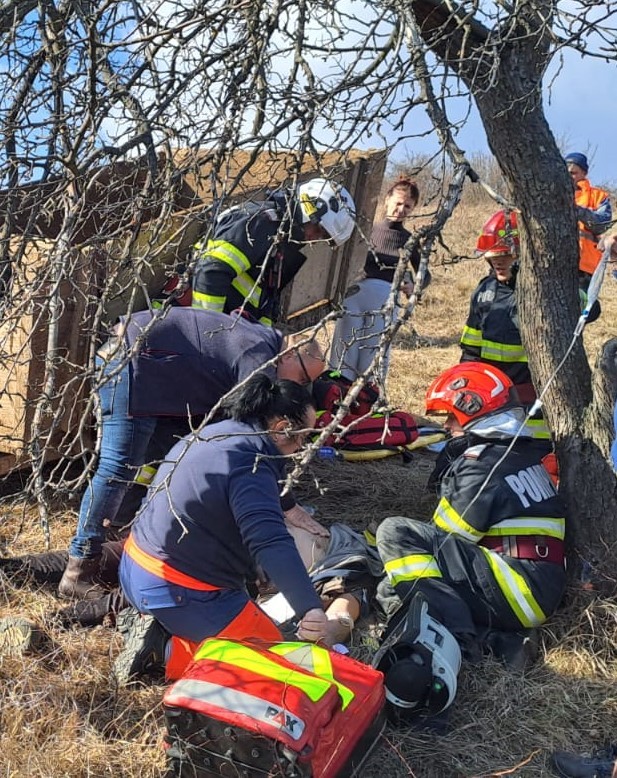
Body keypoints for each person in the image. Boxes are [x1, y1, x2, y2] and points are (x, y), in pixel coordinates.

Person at [58, 307, 327, 602]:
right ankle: (79, 569)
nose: (299, 387)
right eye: (302, 378)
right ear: (289, 353)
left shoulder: (262, 342)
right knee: (118, 467)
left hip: (154, 376)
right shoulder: (260, 358)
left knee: (164, 458)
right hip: (134, 361)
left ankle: (116, 544)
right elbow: (255, 439)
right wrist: (286, 504)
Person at [372, 362, 567, 719]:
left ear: (472, 407)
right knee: (400, 586)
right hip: (534, 587)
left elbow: (445, 541)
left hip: (516, 586)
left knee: (394, 534)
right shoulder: (518, 455)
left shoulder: (483, 464)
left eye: (450, 417)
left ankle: (459, 640)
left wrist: (388, 572)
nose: (446, 427)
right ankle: (500, 641)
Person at [115, 374, 328, 683]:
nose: (302, 448)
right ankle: (164, 652)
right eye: (303, 438)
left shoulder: (215, 434)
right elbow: (269, 540)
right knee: (278, 666)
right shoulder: (251, 463)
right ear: (282, 428)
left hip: (134, 566)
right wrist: (309, 606)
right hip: (177, 589)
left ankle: (163, 624)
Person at [191, 178, 356, 325]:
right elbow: (212, 271)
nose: (314, 239)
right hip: (185, 318)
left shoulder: (281, 239)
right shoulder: (260, 223)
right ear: (310, 209)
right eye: (319, 230)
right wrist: (205, 331)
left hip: (229, 327)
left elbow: (264, 301)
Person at [329, 177, 430, 382]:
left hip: (385, 301)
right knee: (343, 352)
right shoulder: (367, 229)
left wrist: (414, 285)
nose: (401, 209)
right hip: (355, 296)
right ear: (387, 200)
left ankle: (368, 400)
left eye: (407, 206)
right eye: (398, 203)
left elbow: (424, 274)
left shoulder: (409, 239)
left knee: (374, 355)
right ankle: (334, 395)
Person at [460, 210, 537, 403]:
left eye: (506, 254)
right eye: (493, 255)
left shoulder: (543, 291)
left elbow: (591, 310)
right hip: (491, 392)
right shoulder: (484, 291)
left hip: (531, 391)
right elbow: (471, 349)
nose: (498, 261)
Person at [564, 152, 612, 282]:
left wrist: (576, 210)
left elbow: (602, 224)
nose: (569, 176)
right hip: (558, 264)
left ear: (584, 173)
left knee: (586, 302)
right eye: (566, 172)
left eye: (574, 173)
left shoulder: (598, 196)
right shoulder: (551, 194)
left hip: (586, 266)